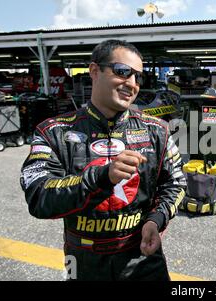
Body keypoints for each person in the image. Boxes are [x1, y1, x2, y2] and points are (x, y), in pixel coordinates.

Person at [20, 40, 186, 280]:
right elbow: (38, 197)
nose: (131, 83)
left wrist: (156, 219)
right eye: (122, 71)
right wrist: (101, 177)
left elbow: (175, 183)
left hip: (142, 257)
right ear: (94, 71)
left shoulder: (157, 130)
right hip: (82, 260)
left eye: (137, 77)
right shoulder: (53, 131)